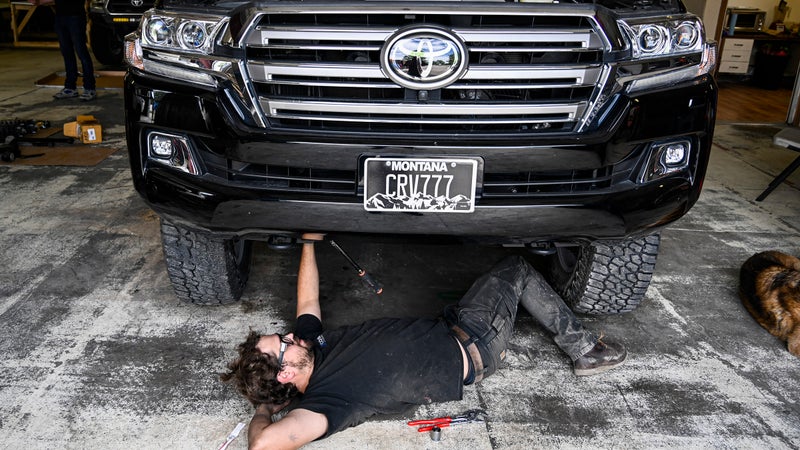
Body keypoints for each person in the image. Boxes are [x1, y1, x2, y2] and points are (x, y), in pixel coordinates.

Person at [221, 234, 627, 449]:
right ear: (287, 372)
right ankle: (586, 351)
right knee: (515, 270)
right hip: (477, 344)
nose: (292, 334)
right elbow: (264, 444)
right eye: (284, 343)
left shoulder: (310, 348)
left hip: (451, 324)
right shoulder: (326, 404)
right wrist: (263, 409)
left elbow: (307, 301)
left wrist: (309, 242)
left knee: (490, 280)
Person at [46, 0, 96, 101]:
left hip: (75, 16)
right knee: (67, 52)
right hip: (61, 16)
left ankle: (89, 87)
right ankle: (70, 87)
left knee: (81, 51)